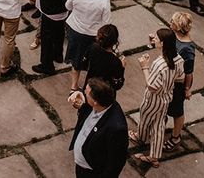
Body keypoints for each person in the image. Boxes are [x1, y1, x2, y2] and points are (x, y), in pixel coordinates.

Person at [129, 28, 185, 168]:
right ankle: (154, 156)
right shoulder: (178, 59)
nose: (154, 40)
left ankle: (140, 137)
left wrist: (144, 67)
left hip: (153, 99)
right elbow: (181, 77)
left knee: (145, 117)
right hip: (166, 98)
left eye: (157, 39)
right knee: (159, 125)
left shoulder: (159, 64)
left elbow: (151, 86)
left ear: (163, 44)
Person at [68, 78, 129, 177]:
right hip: (81, 164)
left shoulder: (116, 128)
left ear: (95, 101)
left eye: (86, 93)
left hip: (91, 172)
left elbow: (115, 163)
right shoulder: (100, 102)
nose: (83, 93)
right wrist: (80, 101)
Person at [62, 0, 112, 92]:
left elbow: (67, 6)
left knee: (76, 59)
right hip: (93, 34)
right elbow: (106, 21)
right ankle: (91, 87)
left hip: (76, 30)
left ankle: (74, 86)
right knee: (92, 59)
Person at [164, 12, 196, 152]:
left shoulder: (187, 49)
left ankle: (176, 137)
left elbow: (188, 72)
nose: (169, 22)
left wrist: (187, 89)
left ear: (177, 26)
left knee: (177, 110)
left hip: (178, 83)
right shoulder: (173, 36)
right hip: (169, 78)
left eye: (172, 22)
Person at [80, 24, 125, 95]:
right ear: (115, 41)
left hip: (90, 87)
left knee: (86, 104)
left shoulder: (93, 47)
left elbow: (84, 64)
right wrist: (122, 67)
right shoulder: (115, 61)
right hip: (105, 93)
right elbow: (118, 84)